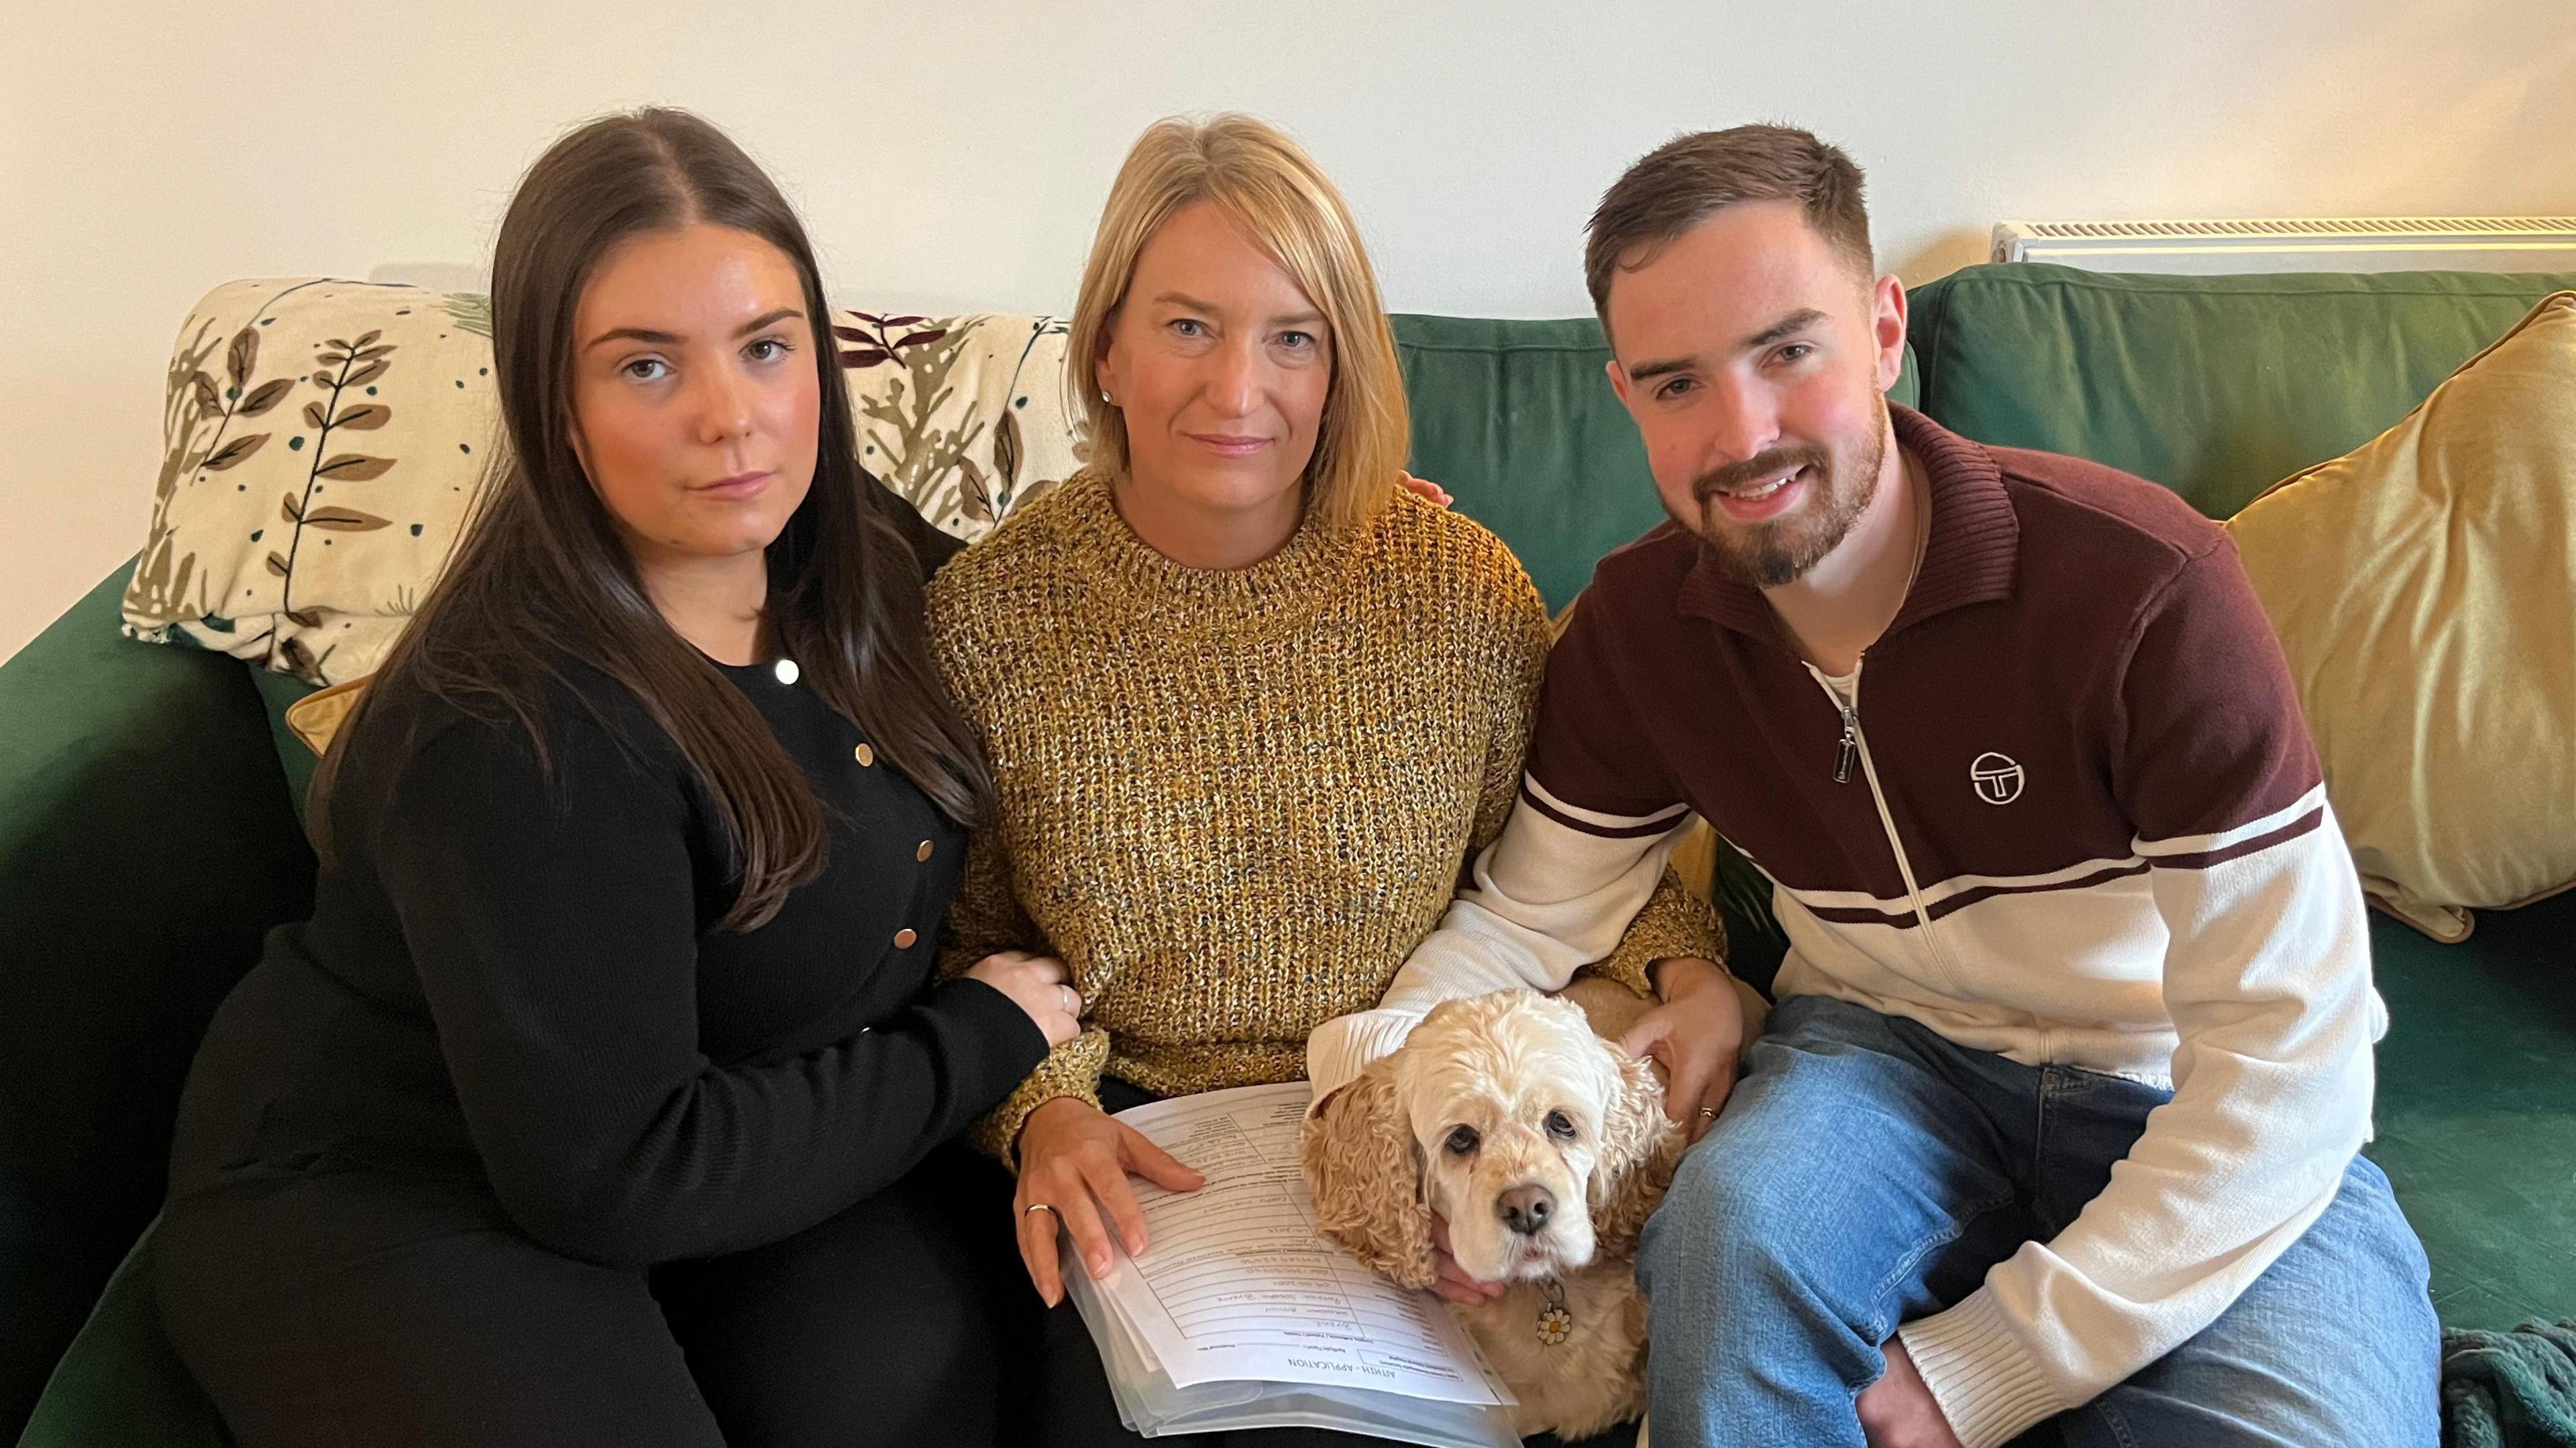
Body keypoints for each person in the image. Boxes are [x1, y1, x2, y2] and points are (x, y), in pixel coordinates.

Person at [1309, 125, 2438, 1448]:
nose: (1743, 433)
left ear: (1885, 330)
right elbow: (1519, 926)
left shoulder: (2145, 590)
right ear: (1627, 396)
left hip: (2174, 1085)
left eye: (1789, 351)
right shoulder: (1639, 633)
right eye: (1678, 385)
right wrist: (1369, 1100)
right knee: (1725, 1251)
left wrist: (1990, 1365)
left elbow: (2292, 1063)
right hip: (1875, 1074)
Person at [154, 108, 1082, 1448]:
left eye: (767, 348)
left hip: (728, 1112)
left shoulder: (847, 546)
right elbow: (623, 1175)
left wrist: (1292, 531)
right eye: (647, 368)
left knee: (904, 1388)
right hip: (399, 1186)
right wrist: (981, 1041)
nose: (731, 416)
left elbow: (1066, 617)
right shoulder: (518, 728)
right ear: (555, 405)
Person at [924, 113, 1726, 1447]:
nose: (1240, 390)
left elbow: (1569, 869)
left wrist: (1687, 975)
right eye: (1188, 326)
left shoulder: (1458, 592)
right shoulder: (989, 620)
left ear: (1341, 367)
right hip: (1146, 1143)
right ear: (1106, 349)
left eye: (1293, 337)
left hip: (1434, 1132)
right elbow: (961, 943)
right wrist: (1041, 1116)